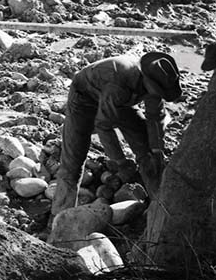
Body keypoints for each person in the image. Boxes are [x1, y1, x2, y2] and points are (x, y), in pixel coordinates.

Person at [49, 51, 183, 222]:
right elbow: (103, 126)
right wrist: (120, 162)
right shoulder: (119, 84)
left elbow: (155, 119)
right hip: (84, 98)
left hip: (122, 102)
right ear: (146, 80)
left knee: (148, 152)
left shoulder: (155, 81)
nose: (156, 95)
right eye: (155, 91)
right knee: (74, 159)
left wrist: (157, 152)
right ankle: (60, 218)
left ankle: (158, 205)